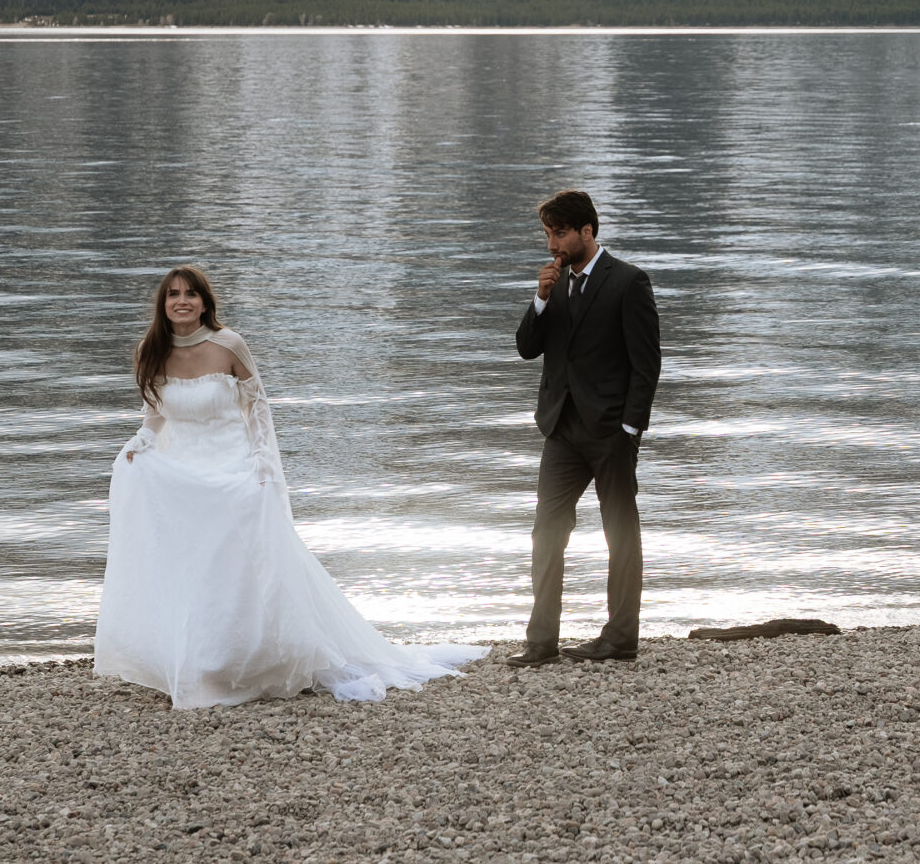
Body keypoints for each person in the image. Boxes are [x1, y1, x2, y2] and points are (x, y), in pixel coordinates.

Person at [94, 266, 485, 709]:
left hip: (233, 468)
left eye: (190, 295)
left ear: (205, 302)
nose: (181, 302)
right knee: (192, 564)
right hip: (184, 478)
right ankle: (198, 659)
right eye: (173, 296)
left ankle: (253, 657)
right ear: (163, 304)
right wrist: (141, 444)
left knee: (237, 565)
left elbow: (258, 409)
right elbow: (155, 414)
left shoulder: (229, 345)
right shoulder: (153, 350)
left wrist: (262, 463)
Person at [510, 189, 661, 665]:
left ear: (587, 232)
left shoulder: (628, 282)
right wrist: (539, 298)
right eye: (548, 234)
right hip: (562, 430)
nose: (552, 245)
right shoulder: (554, 284)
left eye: (560, 234)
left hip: (611, 432)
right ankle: (541, 643)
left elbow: (647, 364)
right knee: (546, 531)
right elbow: (526, 349)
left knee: (621, 533)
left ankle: (620, 639)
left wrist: (631, 430)